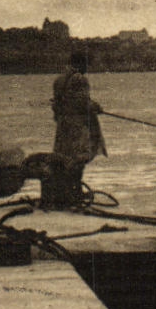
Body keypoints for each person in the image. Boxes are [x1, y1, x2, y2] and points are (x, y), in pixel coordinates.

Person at [48, 50, 106, 206]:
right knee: (79, 159)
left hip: (63, 126)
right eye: (86, 65)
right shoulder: (80, 79)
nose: (87, 68)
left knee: (64, 159)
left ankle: (63, 196)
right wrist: (96, 107)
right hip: (78, 126)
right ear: (81, 64)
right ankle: (74, 195)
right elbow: (82, 103)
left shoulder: (59, 79)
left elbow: (58, 104)